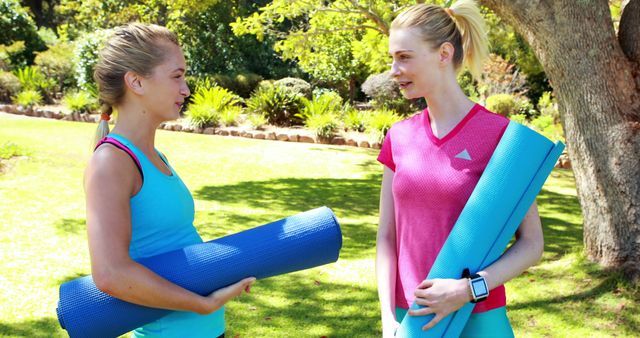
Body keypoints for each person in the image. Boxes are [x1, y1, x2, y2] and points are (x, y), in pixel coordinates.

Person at [375, 1, 544, 337]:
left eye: (404, 57)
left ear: (443, 53)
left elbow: (531, 244)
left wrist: (465, 291)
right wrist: (386, 317)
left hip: (478, 318)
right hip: (411, 319)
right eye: (392, 58)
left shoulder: (499, 137)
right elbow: (387, 237)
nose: (394, 69)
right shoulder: (399, 136)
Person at [85, 23, 255, 338]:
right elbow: (111, 274)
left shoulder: (154, 156)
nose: (186, 89)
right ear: (136, 81)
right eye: (177, 76)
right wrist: (199, 303)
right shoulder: (111, 162)